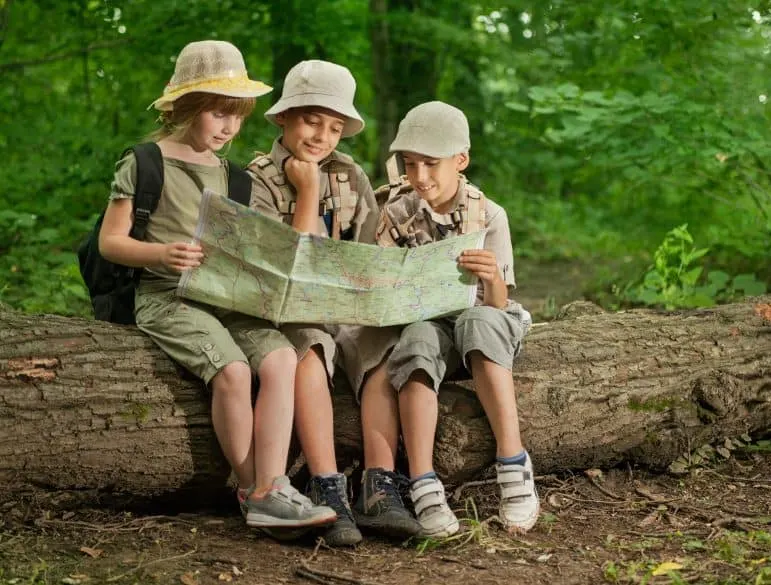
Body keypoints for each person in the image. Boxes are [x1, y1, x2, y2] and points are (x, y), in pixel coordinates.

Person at [97, 40, 336, 536]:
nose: (229, 127)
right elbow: (110, 242)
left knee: (281, 359)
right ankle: (252, 490)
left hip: (223, 298)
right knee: (230, 370)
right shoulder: (145, 163)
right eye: (218, 113)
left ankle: (273, 486)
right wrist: (160, 253)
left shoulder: (235, 176)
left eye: (239, 117)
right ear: (185, 107)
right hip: (166, 296)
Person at [341, 101, 540, 539]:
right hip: (424, 322)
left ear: (461, 160)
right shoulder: (395, 212)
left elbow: (499, 302)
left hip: (479, 317)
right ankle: (424, 479)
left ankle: (513, 461)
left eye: (431, 164)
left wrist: (490, 277)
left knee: (479, 324)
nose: (420, 177)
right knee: (414, 343)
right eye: (410, 165)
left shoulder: (488, 215)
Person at [246, 60, 380, 547]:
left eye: (335, 127)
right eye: (311, 120)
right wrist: (306, 192)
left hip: (345, 309)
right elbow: (290, 264)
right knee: (308, 350)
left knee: (384, 354)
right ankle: (329, 485)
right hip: (288, 314)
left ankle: (384, 484)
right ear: (283, 117)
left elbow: (371, 252)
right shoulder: (257, 180)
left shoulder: (350, 175)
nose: (323, 136)